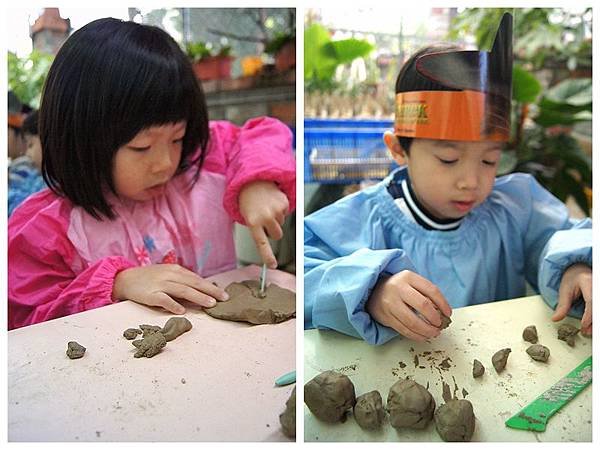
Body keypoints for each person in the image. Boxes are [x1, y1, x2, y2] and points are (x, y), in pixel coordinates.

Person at [304, 13, 592, 345]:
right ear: (399, 149)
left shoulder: (516, 206)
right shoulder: (359, 220)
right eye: (448, 159)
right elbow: (310, 278)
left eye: (489, 160)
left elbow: (560, 238)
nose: (471, 181)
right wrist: (370, 289)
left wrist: (577, 268)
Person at [8, 18, 295, 329]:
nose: (164, 162)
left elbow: (260, 136)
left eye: (177, 138)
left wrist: (259, 179)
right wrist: (117, 283)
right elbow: (24, 316)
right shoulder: (45, 230)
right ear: (80, 140)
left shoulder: (201, 161)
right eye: (141, 147)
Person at [8, 109, 46, 216]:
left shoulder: (52, 184)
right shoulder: (36, 177)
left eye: (31, 145)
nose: (27, 153)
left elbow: (21, 209)